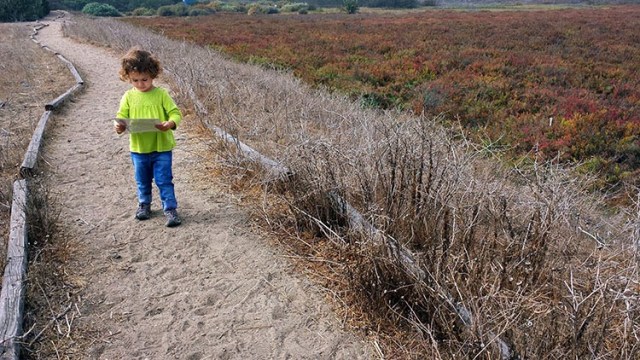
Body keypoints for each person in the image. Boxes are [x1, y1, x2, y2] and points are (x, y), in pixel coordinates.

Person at [114, 47, 182, 227]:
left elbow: (175, 113)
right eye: (135, 80)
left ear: (153, 75)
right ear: (128, 77)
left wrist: (170, 123)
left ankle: (170, 209)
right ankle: (144, 205)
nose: (140, 84)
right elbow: (121, 117)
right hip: (139, 149)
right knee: (142, 180)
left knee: (164, 180)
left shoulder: (161, 94)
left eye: (144, 79)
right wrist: (119, 126)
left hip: (162, 147)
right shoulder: (128, 96)